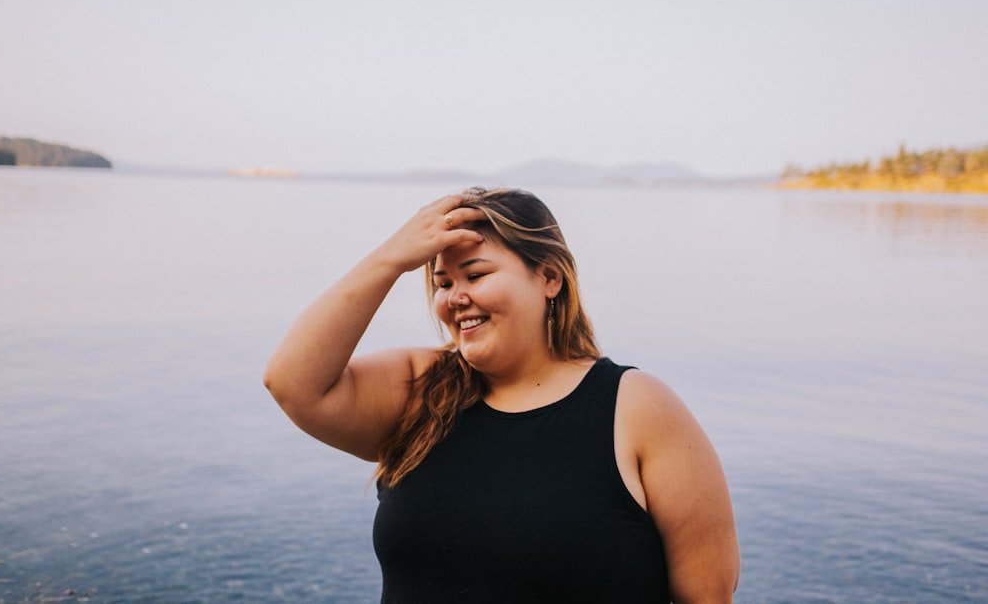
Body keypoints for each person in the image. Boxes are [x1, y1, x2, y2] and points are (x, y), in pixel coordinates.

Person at [264, 187, 739, 603]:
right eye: (442, 283)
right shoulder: (422, 389)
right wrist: (392, 257)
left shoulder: (636, 408)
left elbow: (707, 596)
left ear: (549, 278)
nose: (454, 297)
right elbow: (292, 383)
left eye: (476, 275)